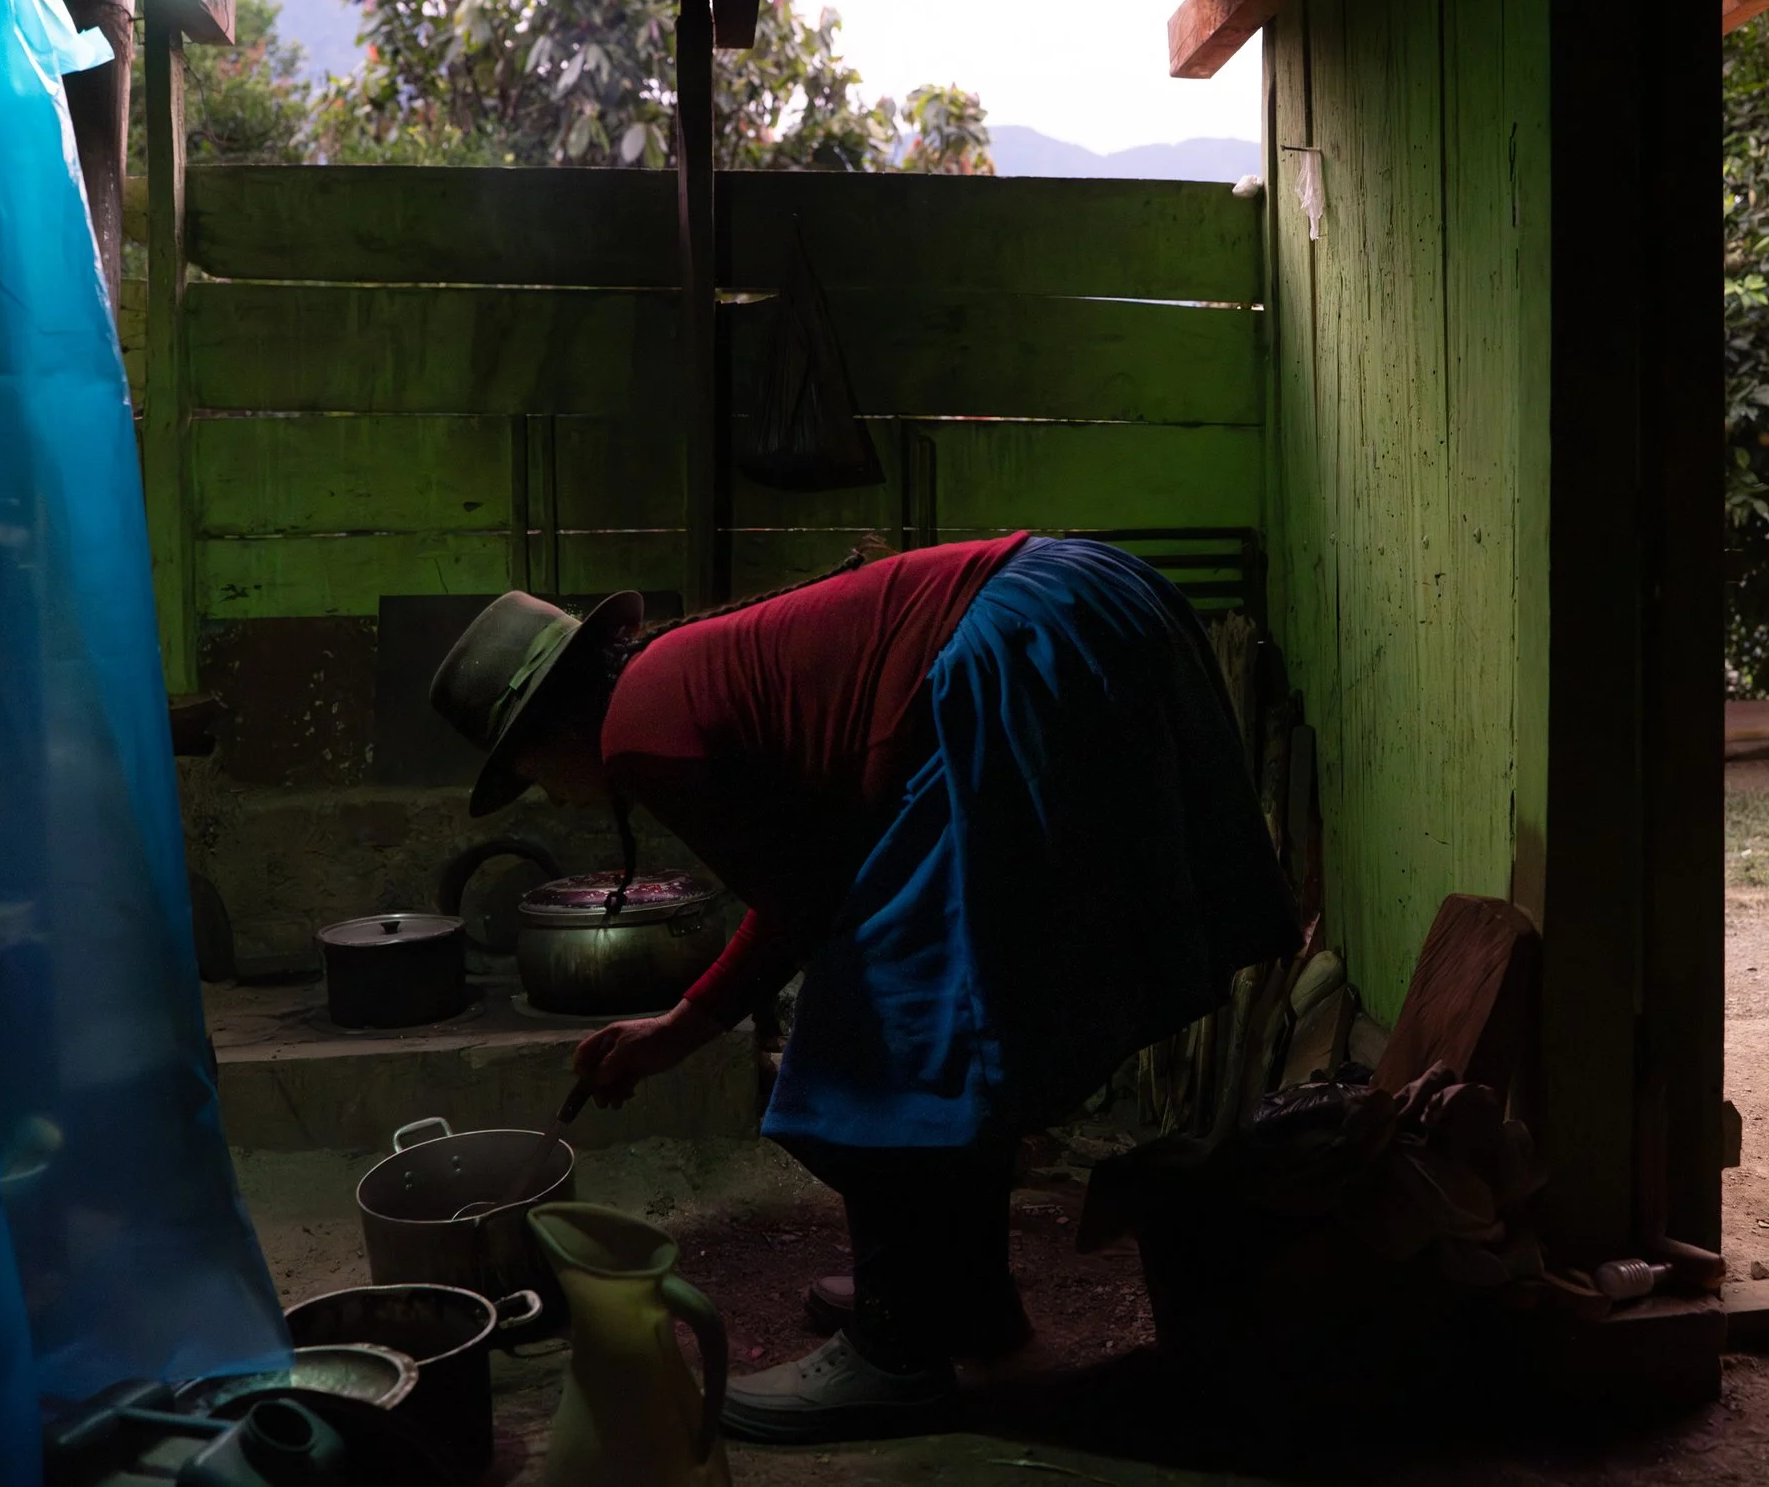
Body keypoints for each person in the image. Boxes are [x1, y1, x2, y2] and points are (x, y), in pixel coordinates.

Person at [428, 534, 1297, 1439]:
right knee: (946, 1020)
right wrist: (680, 1029)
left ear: (551, 729)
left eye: (530, 778)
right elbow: (823, 872)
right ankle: (956, 1304)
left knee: (867, 1039)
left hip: (1017, 644)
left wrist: (684, 1026)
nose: (554, 801)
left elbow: (803, 902)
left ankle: (896, 1352)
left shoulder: (639, 729)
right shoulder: (678, 672)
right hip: (1088, 595)